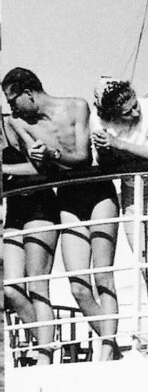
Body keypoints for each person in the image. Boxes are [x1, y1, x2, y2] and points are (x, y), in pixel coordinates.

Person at [2, 67, 121, 361]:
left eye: (13, 100)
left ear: (28, 93)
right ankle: (113, 348)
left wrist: (52, 155)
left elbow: (82, 156)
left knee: (102, 276)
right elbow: (41, 169)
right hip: (68, 199)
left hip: (97, 192)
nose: (11, 107)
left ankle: (106, 353)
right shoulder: (21, 124)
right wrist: (43, 161)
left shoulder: (76, 106)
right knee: (79, 288)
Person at [91, 78, 148, 359]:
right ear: (111, 114)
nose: (135, 112)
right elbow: (102, 163)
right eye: (127, 112)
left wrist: (118, 144)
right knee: (144, 269)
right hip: (133, 195)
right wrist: (106, 150)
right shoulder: (99, 123)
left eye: (134, 105)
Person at [2, 116, 59, 365]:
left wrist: (5, 169)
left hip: (40, 207)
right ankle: (47, 341)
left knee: (37, 285)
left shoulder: (14, 125)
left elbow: (43, 168)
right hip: (14, 211)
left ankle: (45, 356)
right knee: (11, 288)